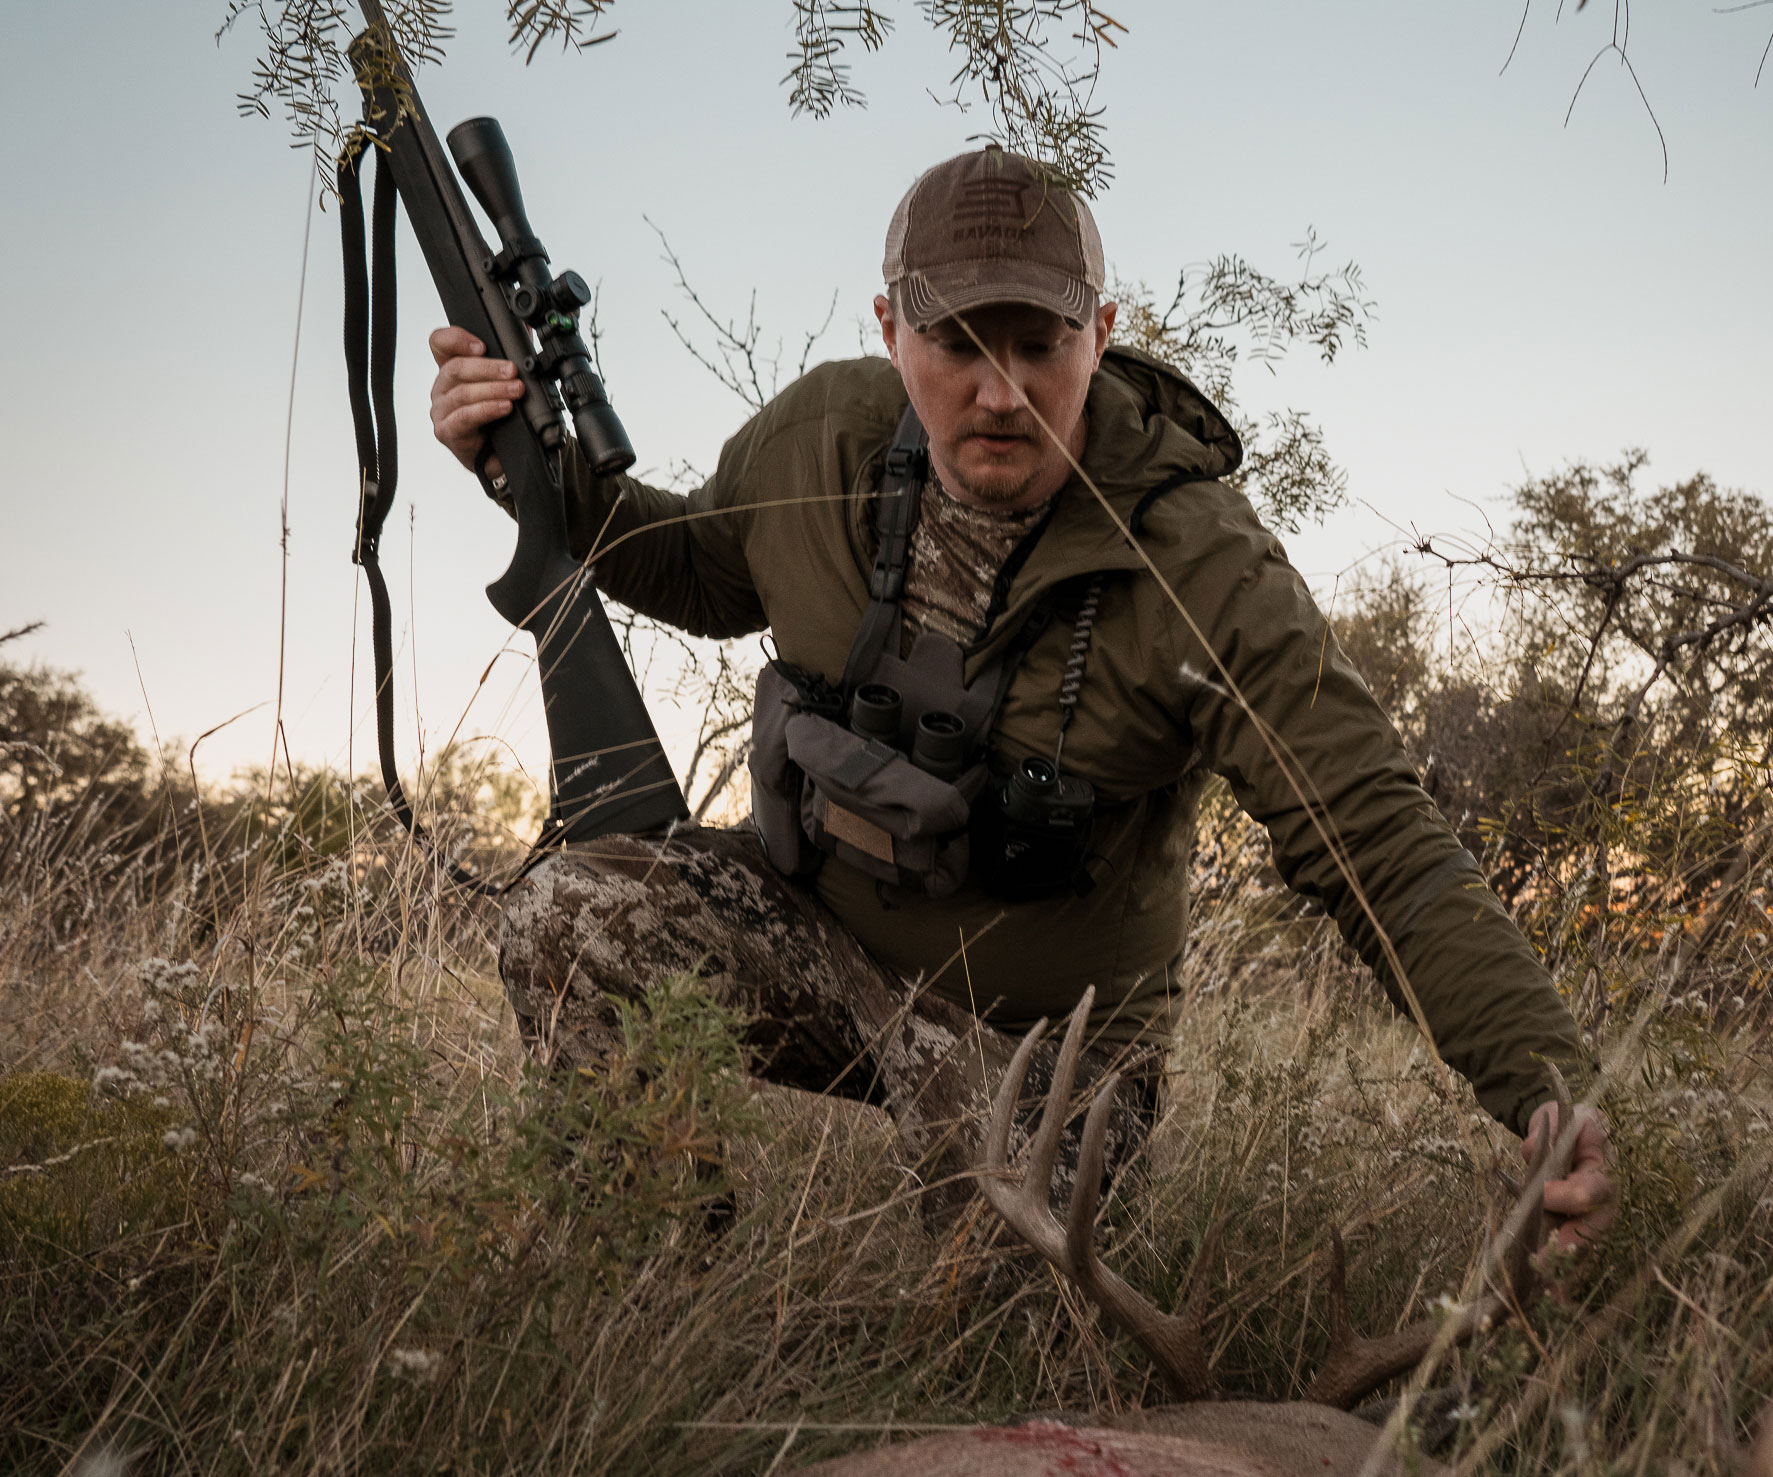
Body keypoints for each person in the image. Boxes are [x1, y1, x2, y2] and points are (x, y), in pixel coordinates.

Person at [430, 144, 1615, 1247]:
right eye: (955, 344)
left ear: (1100, 333)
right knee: (567, 915)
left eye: (1039, 344)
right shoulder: (816, 442)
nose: (999, 394)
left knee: (1011, 1327)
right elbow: (694, 565)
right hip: (816, 943)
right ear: (891, 327)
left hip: (1041, 1050)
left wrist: (1544, 1092)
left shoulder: (1202, 567)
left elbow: (1379, 844)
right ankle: (654, 1312)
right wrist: (524, 470)